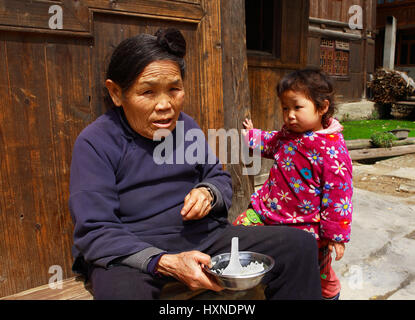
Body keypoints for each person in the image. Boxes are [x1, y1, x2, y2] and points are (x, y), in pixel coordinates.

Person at [68, 28, 322, 300]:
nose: (165, 105)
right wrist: (164, 261)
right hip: (134, 253)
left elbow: (219, 178)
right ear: (117, 93)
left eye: (174, 89)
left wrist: (208, 192)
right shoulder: (96, 142)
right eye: (148, 92)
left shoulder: (186, 127)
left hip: (204, 239)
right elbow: (95, 229)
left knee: (299, 246)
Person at [233, 69, 353, 300]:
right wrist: (252, 136)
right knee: (240, 232)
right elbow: (271, 141)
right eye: (285, 108)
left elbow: (339, 195)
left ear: (323, 107)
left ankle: (329, 293)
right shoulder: (288, 134)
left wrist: (336, 235)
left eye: (297, 107)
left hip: (305, 225)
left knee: (313, 270)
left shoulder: (332, 151)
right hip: (267, 210)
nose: (289, 115)